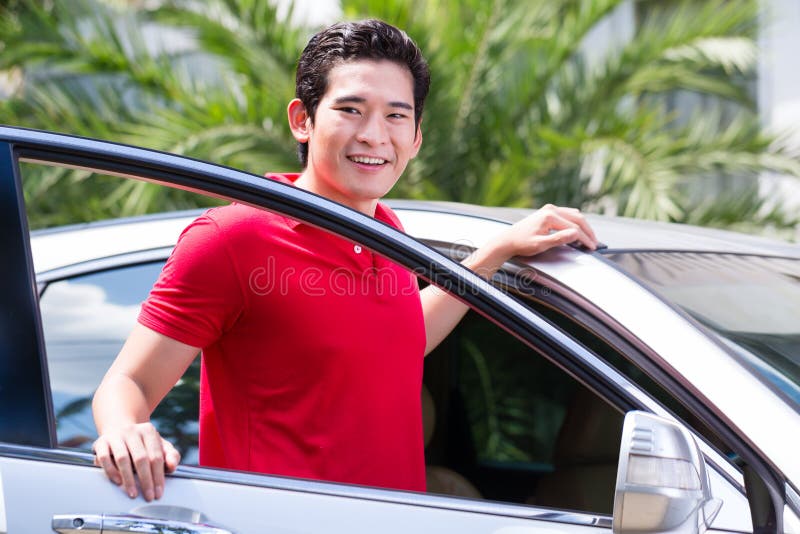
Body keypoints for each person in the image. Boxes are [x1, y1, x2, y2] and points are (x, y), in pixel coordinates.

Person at [92, 19, 598, 503]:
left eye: (396, 115)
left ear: (417, 136)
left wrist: (496, 252)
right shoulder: (232, 238)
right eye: (351, 110)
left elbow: (399, 339)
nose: (375, 135)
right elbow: (128, 382)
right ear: (302, 120)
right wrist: (126, 432)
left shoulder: (387, 232)